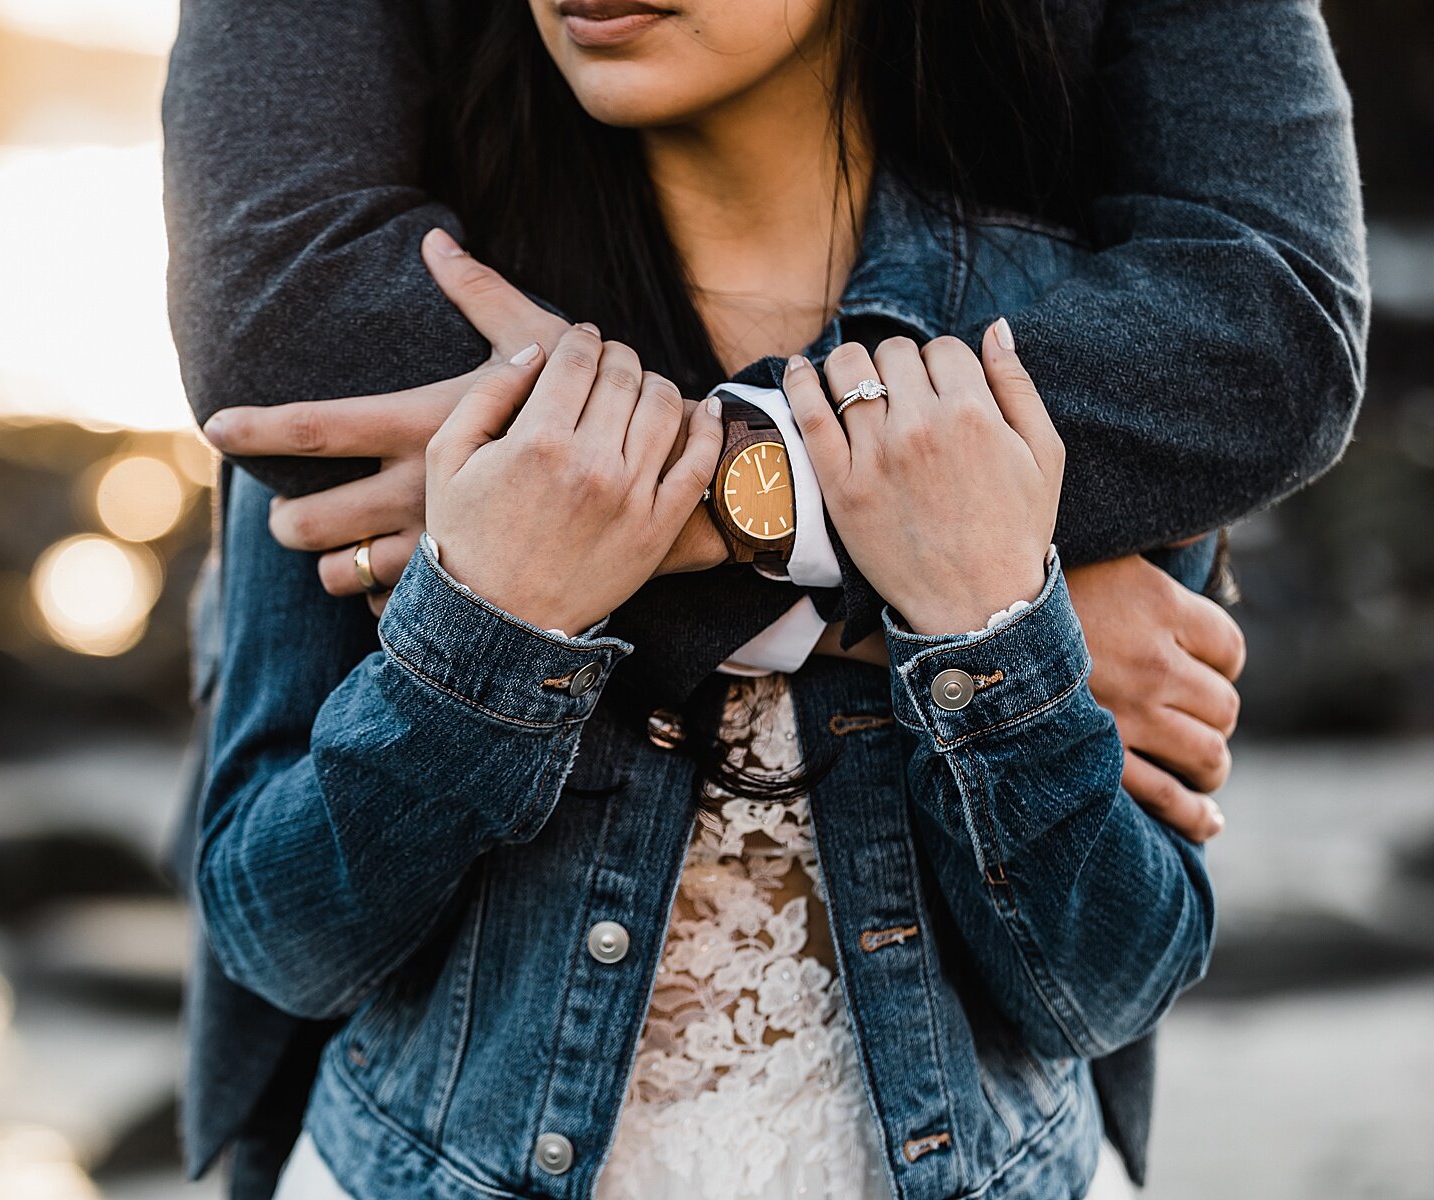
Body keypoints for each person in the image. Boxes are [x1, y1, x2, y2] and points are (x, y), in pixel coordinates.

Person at [161, 0, 1367, 1196]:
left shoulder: (1052, 344)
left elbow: (1106, 983)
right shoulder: (419, 358)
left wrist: (981, 634)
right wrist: (494, 629)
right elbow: (281, 938)